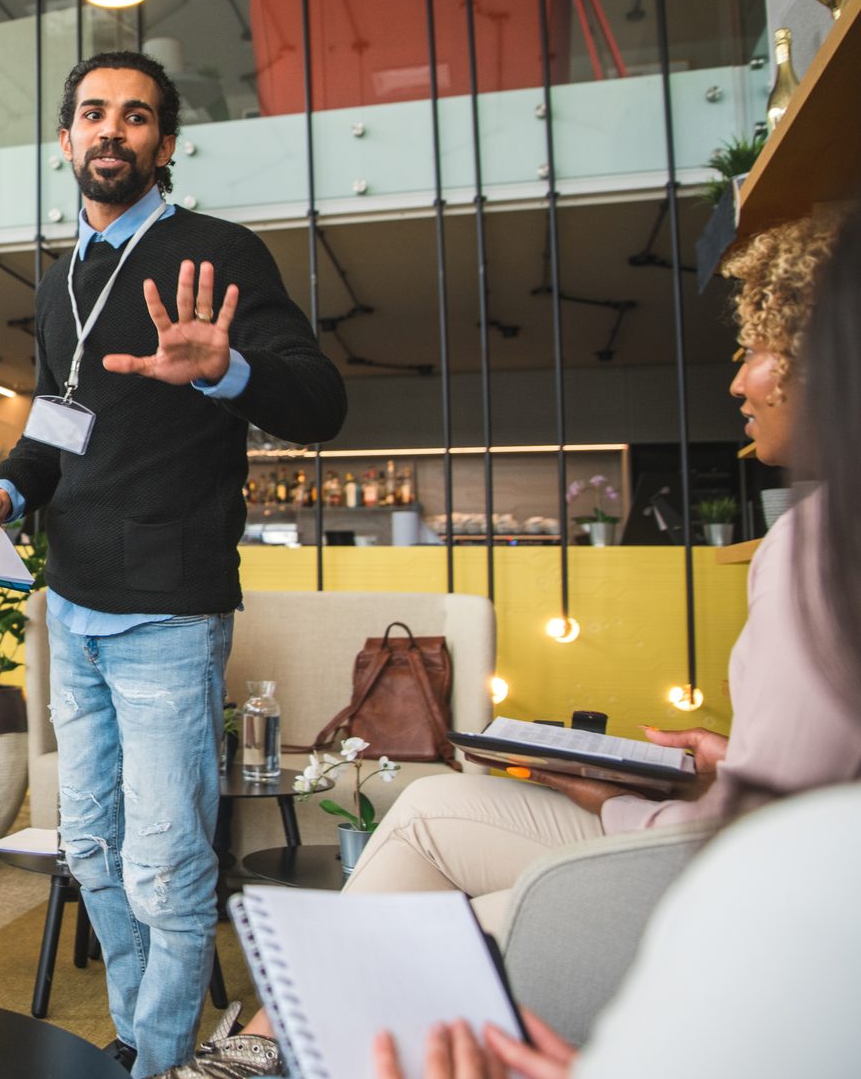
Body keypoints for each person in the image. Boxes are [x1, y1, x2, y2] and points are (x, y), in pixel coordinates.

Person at [362, 218, 861, 1079]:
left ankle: (281, 1040)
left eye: (764, 349)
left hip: (720, 890)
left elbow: (771, 841)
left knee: (410, 940)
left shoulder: (819, 546)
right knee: (422, 812)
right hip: (743, 856)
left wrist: (608, 799)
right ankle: (269, 1039)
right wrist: (730, 758)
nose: (739, 381)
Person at [0, 50, 346, 1078]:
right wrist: (7, 489)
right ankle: (143, 1029)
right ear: (64, 139)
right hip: (73, 601)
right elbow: (58, 423)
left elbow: (321, 402)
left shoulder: (215, 254)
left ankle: (163, 1058)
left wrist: (229, 371)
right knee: (89, 848)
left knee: (166, 860)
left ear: (164, 145)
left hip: (168, 609)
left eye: (136, 117)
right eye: (93, 113)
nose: (112, 131)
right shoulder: (62, 283)